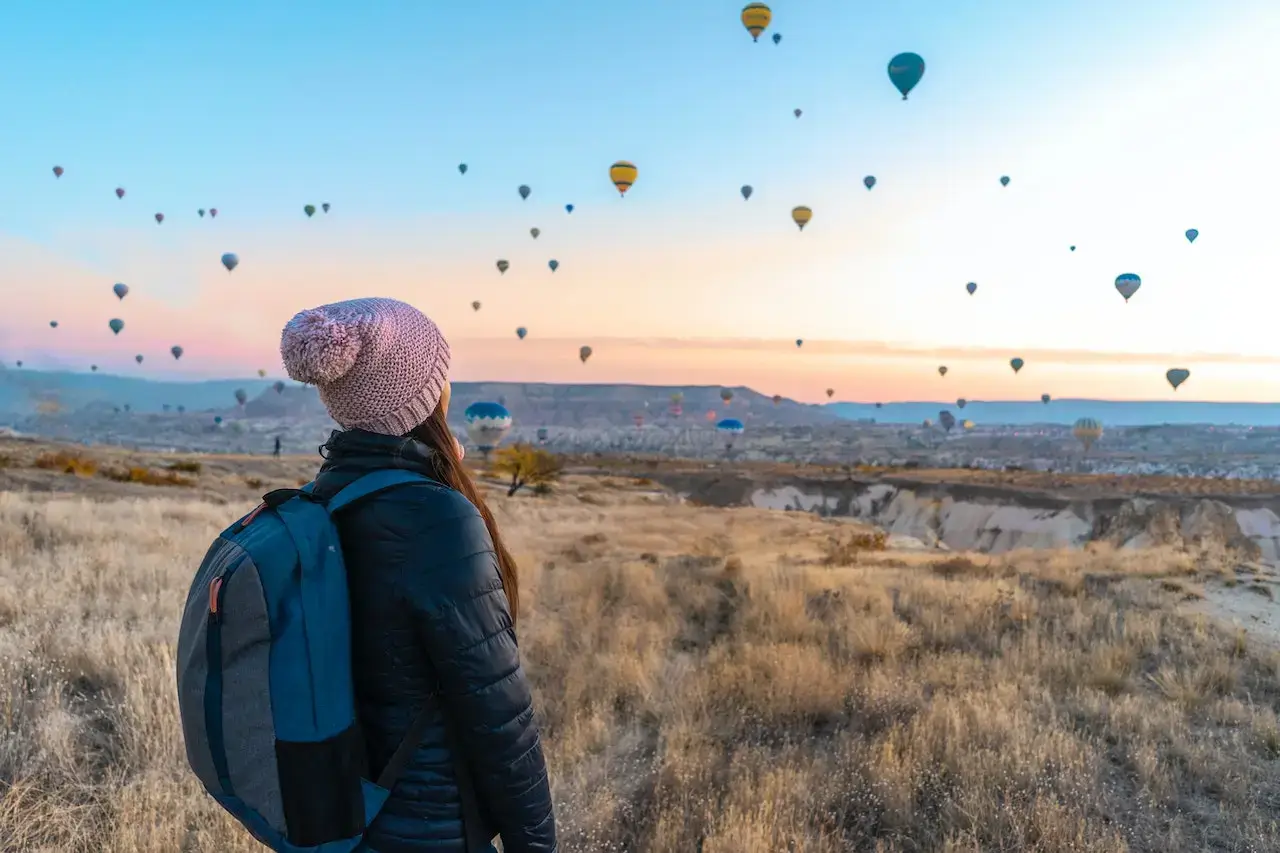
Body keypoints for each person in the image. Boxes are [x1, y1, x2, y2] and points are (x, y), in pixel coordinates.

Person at [280, 297, 557, 853]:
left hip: (339, 815)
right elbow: (497, 711)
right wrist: (536, 844)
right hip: (429, 823)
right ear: (426, 395)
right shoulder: (435, 518)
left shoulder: (321, 501)